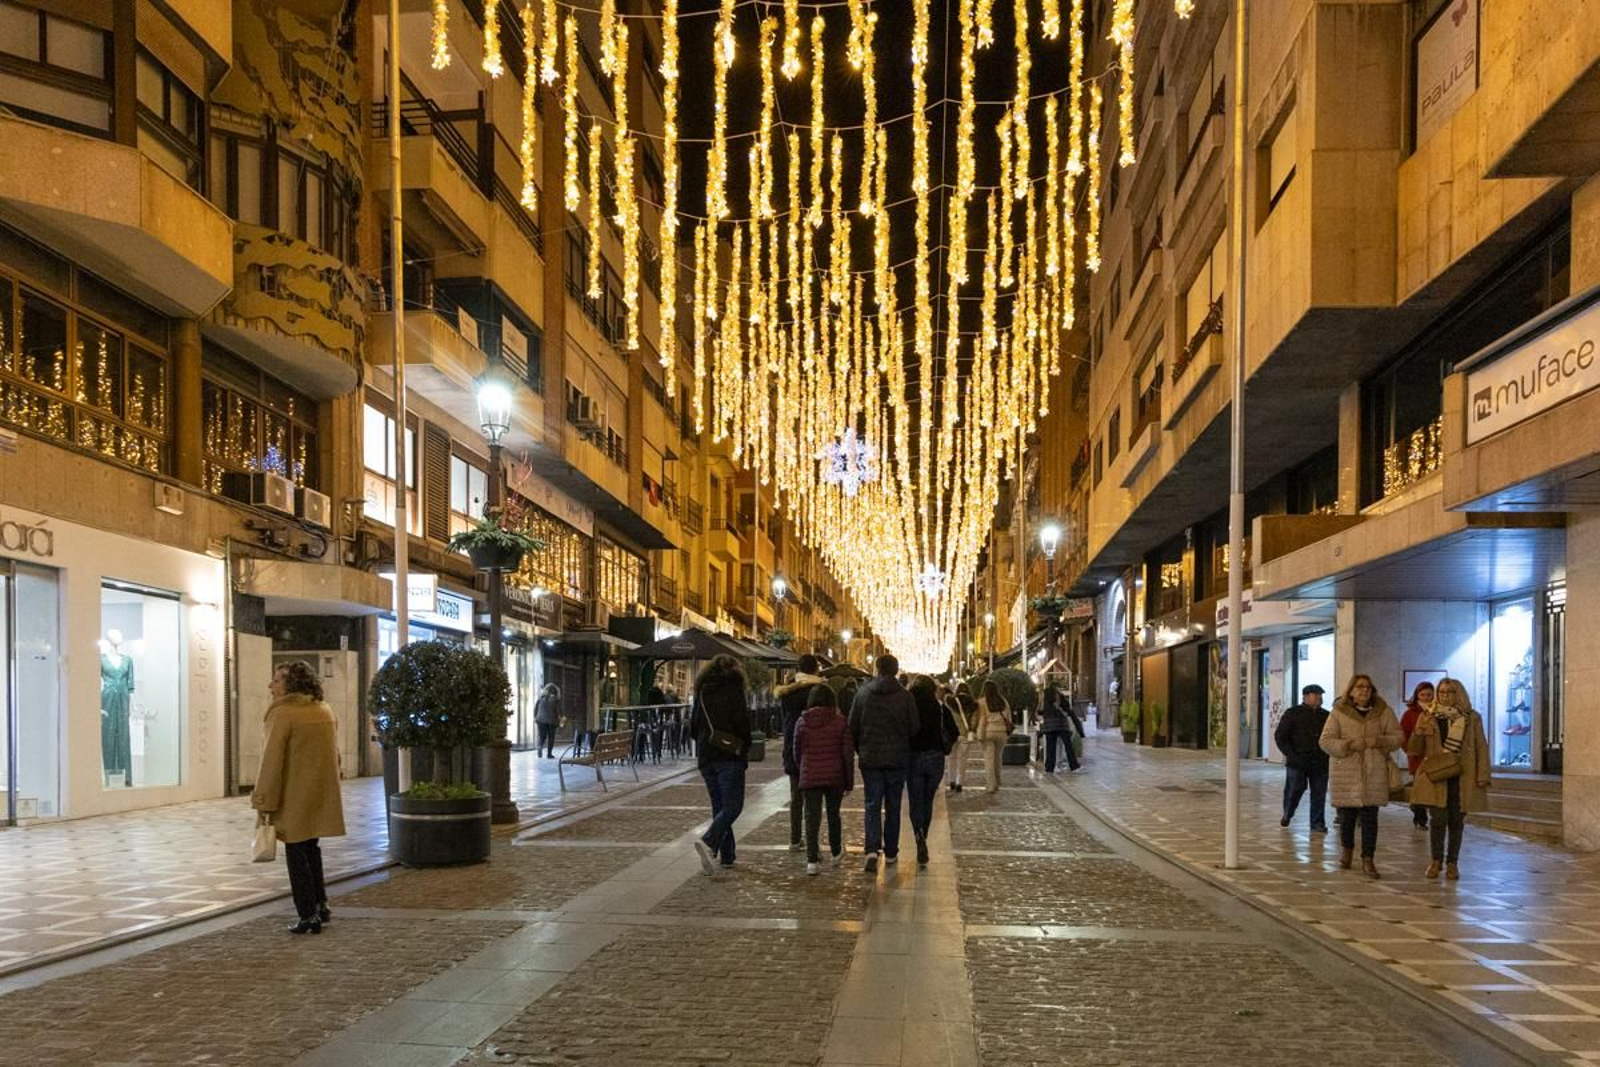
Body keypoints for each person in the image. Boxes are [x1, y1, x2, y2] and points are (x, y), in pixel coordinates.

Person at [252, 661, 346, 935]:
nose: (271, 686)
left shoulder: (282, 714)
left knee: (295, 853)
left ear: (291, 684)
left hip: (292, 796)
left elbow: (271, 761)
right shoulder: (324, 709)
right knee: (311, 850)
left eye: (277, 681)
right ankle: (321, 905)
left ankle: (307, 914)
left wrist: (263, 801)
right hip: (319, 793)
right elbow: (335, 756)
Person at [1407, 677, 1492, 880]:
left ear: (1458, 694)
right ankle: (1436, 860)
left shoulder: (1471, 718)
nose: (1445, 696)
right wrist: (1418, 733)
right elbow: (1414, 749)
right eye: (1442, 692)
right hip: (1436, 775)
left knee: (1456, 821)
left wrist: (1483, 775)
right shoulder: (1427, 716)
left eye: (1450, 692)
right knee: (1437, 819)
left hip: (1462, 776)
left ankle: (1452, 862)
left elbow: (1481, 746)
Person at [1319, 674, 1403, 879]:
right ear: (1351, 691)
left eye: (1367, 687)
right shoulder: (1339, 713)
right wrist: (1347, 745)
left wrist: (1379, 741)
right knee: (1347, 817)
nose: (1364, 690)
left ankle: (1368, 858)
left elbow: (1398, 736)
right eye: (1359, 687)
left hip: (1374, 770)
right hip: (1347, 769)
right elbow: (1326, 740)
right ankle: (1347, 850)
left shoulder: (1383, 711)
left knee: (1370, 817)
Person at [848, 654, 916, 873]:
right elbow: (914, 727)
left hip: (871, 759)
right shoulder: (905, 697)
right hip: (897, 759)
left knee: (872, 804)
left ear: (877, 669)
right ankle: (892, 853)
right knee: (894, 806)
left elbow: (852, 726)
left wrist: (863, 749)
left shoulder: (863, 694)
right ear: (896, 671)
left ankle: (871, 849)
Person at [691, 654, 752, 876]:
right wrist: (745, 746)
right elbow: (743, 723)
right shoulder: (734, 689)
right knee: (733, 807)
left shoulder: (702, 690)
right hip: (729, 755)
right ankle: (709, 842)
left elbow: (692, 727)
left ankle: (727, 855)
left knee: (720, 807)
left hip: (706, 757)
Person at [794, 683, 854, 875]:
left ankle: (811, 861)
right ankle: (836, 852)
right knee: (833, 814)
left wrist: (802, 768)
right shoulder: (840, 722)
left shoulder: (802, 722)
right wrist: (848, 780)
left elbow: (796, 750)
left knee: (811, 817)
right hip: (834, 776)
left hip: (810, 774)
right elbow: (847, 754)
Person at [906, 675, 960, 866]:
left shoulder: (908, 708)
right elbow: (954, 732)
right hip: (935, 758)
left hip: (913, 758)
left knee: (915, 801)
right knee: (927, 801)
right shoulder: (940, 708)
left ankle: (918, 835)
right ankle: (924, 835)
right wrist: (944, 745)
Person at [776, 654, 826, 854]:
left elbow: (785, 720)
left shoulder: (787, 692)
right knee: (814, 798)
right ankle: (812, 842)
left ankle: (795, 839)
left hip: (792, 745)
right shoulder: (821, 690)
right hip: (816, 747)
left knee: (796, 796)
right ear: (815, 670)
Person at [1273, 683, 1330, 833]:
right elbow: (1280, 736)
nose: (1319, 698)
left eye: (1320, 695)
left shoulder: (1326, 716)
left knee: (1319, 793)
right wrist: (1291, 754)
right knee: (1294, 790)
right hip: (1297, 761)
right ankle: (1288, 813)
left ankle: (1317, 823)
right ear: (1305, 697)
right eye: (1316, 695)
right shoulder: (1293, 713)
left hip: (1320, 761)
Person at [1399, 681, 1437, 831]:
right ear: (1417, 696)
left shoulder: (1439, 711)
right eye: (1423, 694)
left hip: (1435, 756)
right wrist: (1410, 749)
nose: (1427, 697)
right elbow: (1403, 735)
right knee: (1420, 787)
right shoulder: (1410, 714)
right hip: (1418, 757)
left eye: (1429, 694)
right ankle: (1420, 818)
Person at [975, 680, 1013, 793]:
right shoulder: (1003, 701)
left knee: (989, 759)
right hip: (1001, 733)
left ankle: (991, 785)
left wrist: (979, 735)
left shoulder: (981, 702)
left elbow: (981, 720)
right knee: (998, 758)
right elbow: (1009, 717)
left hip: (988, 732)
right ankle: (997, 782)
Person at [1038, 684, 1081, 773]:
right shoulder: (1058, 696)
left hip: (1049, 725)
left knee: (1050, 748)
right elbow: (1067, 708)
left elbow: (1040, 711)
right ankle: (1074, 766)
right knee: (1068, 745)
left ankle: (1049, 768)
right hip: (1061, 724)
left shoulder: (1043, 697)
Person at [948, 682, 978, 793]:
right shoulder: (973, 704)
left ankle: (951, 781)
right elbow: (974, 721)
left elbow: (947, 718)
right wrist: (971, 729)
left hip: (952, 734)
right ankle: (959, 782)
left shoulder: (950, 702)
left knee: (952, 758)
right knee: (962, 759)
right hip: (964, 734)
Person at [533, 683, 562, 759]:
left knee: (541, 736)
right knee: (551, 737)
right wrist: (560, 718)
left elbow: (535, 708)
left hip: (540, 720)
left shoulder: (540, 698)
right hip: (551, 721)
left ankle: (540, 746)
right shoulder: (555, 699)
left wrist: (535, 717)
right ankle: (549, 754)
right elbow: (558, 711)